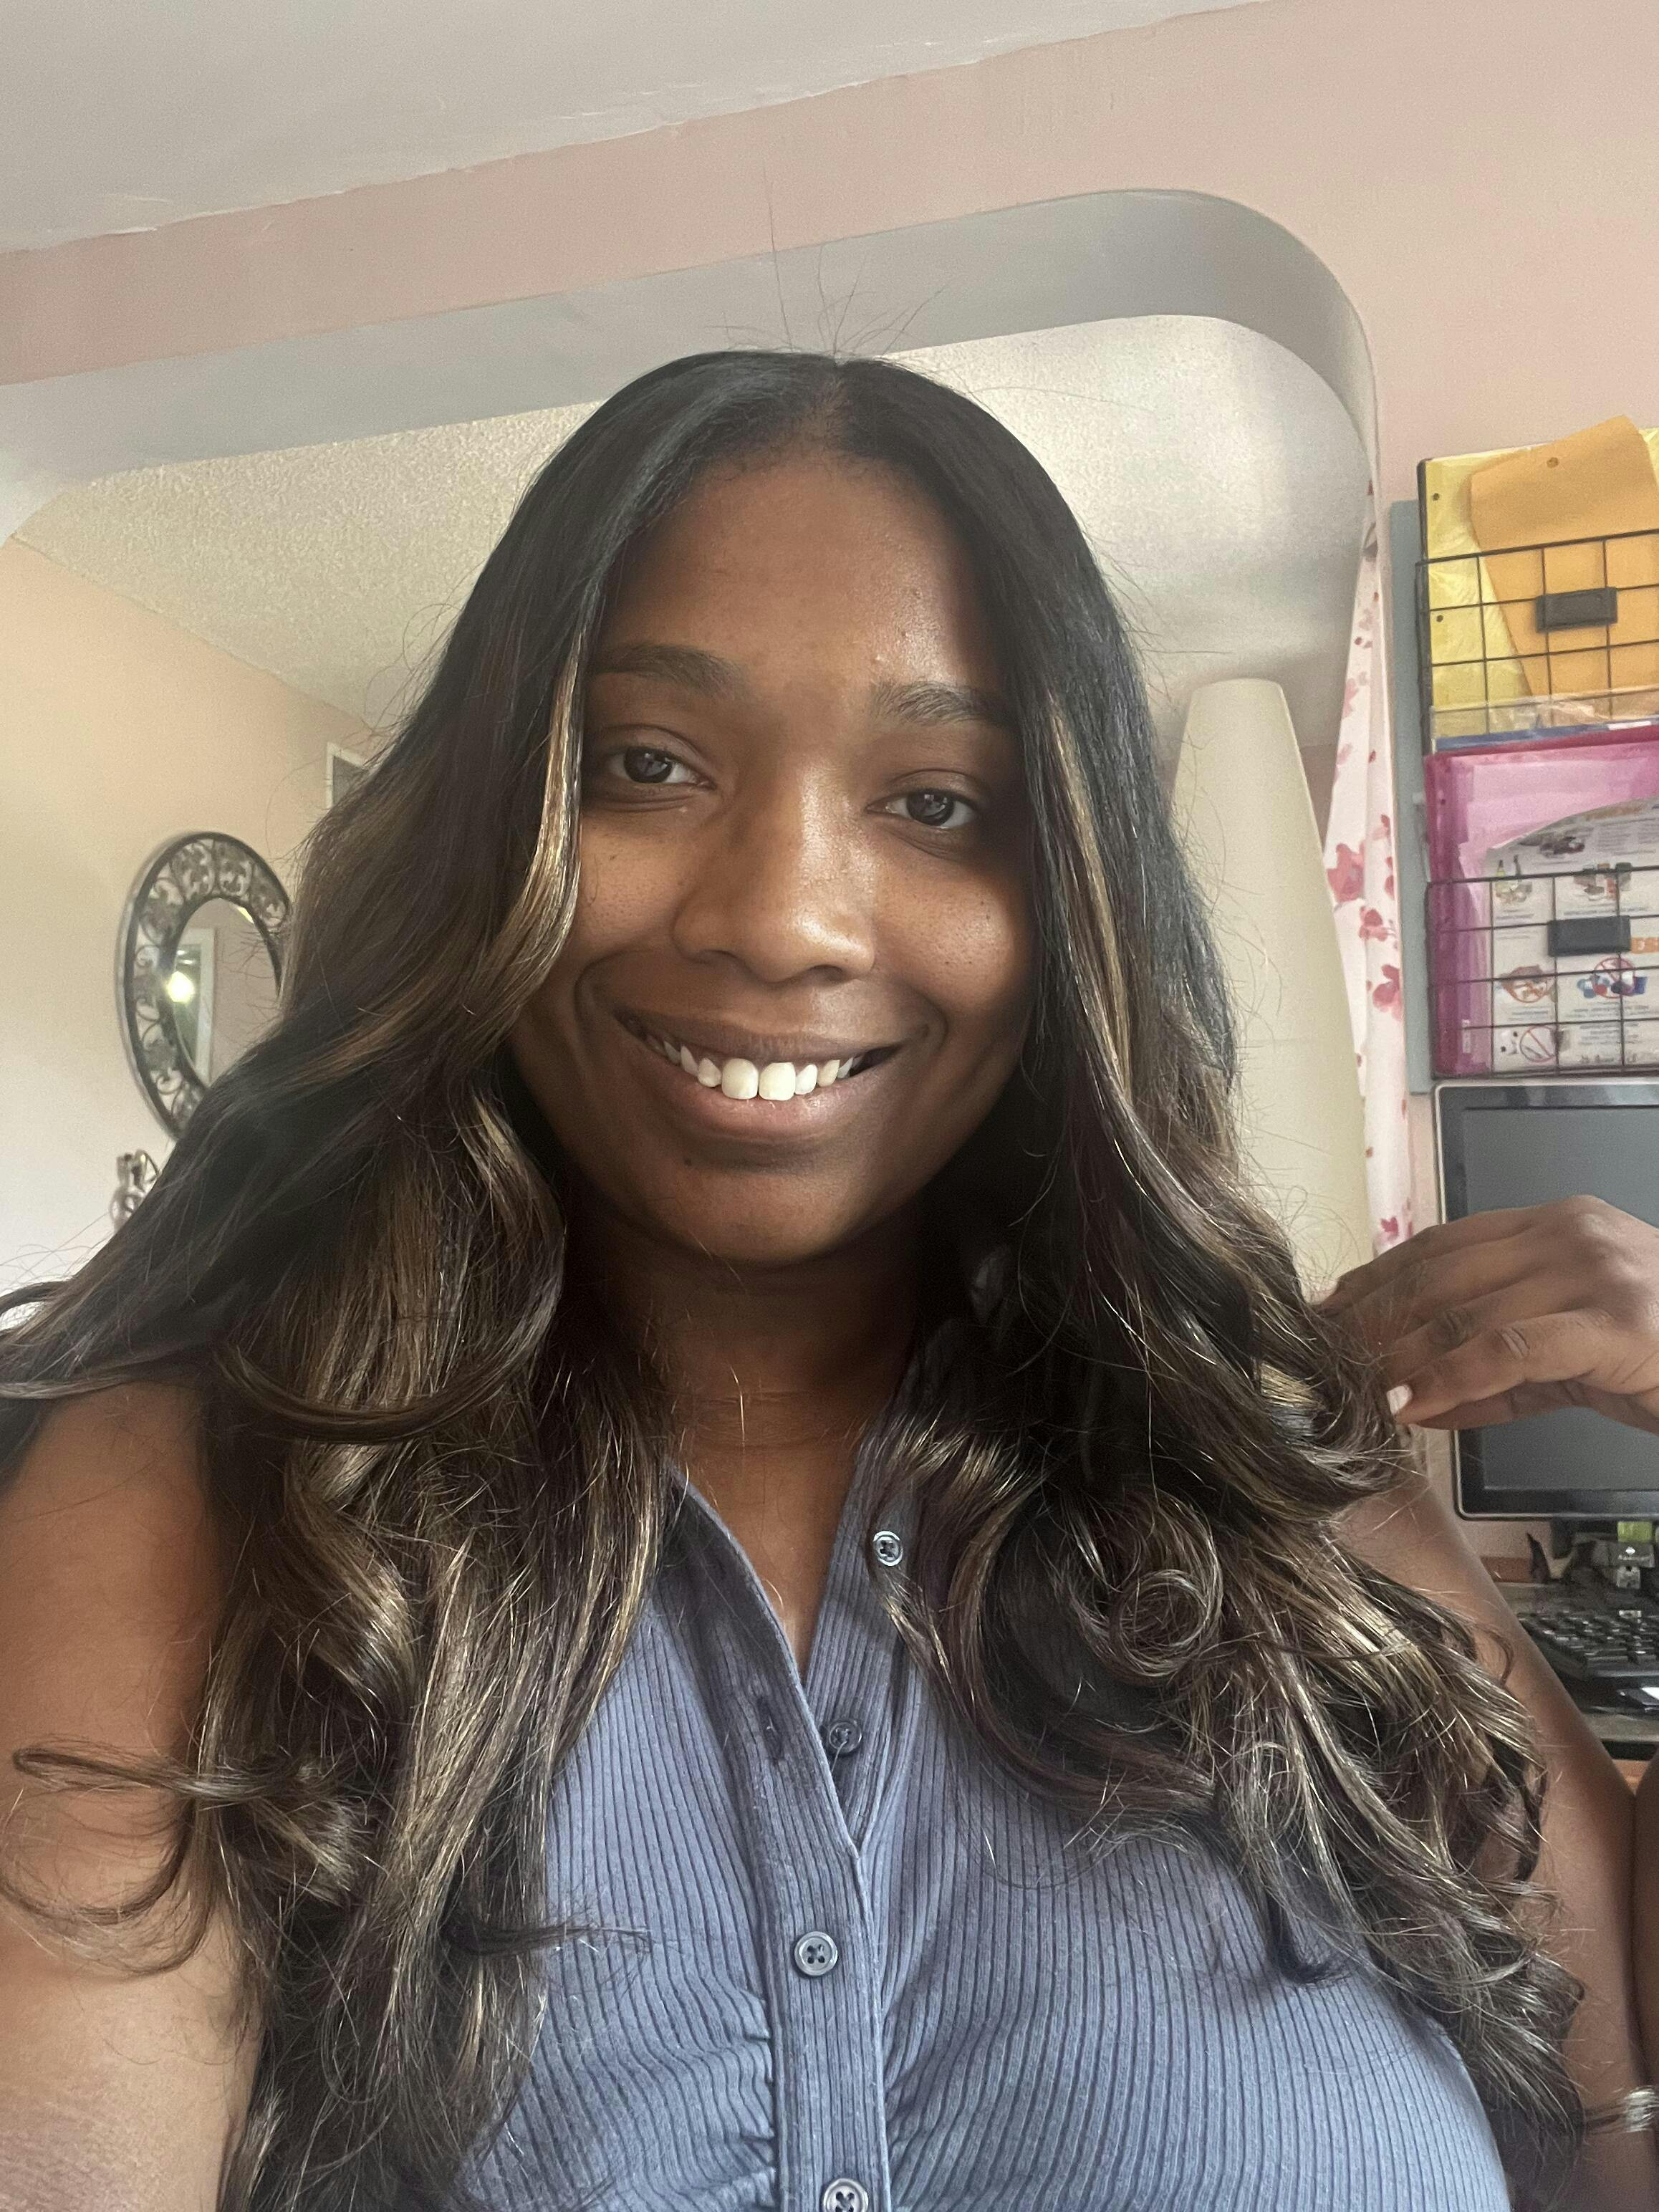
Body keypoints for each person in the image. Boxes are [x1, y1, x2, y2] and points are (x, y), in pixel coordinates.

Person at [0, 349, 1653, 2212]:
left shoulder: (1286, 1501)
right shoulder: (206, 1505)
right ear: (487, 827)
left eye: (938, 801)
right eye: (648, 765)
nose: (780, 917)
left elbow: (1620, 2122)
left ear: (1071, 901)